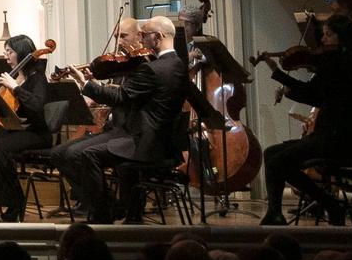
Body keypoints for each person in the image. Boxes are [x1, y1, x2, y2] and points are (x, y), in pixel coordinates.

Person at [54, 15, 224, 223]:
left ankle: (103, 213)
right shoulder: (178, 65)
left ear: (158, 37)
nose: (142, 39)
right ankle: (117, 210)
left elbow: (120, 97)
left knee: (89, 155)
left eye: (145, 35)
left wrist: (85, 84)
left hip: (144, 143)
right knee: (79, 153)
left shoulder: (152, 69)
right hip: (163, 143)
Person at [259, 15, 352, 226]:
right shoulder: (347, 62)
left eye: (328, 35)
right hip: (331, 134)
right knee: (272, 154)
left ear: (342, 37)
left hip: (335, 138)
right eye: (323, 34)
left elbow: (311, 94)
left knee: (278, 161)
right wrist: (280, 76)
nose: (323, 40)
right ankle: (275, 212)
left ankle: (329, 204)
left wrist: (277, 73)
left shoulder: (339, 64)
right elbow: (315, 95)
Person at [0, 34, 53, 223]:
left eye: (10, 52)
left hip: (37, 133)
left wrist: (15, 88)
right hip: (17, 130)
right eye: (5, 52)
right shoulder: (15, 75)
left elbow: (36, 107)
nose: (7, 57)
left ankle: (15, 201)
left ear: (22, 53)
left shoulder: (37, 78)